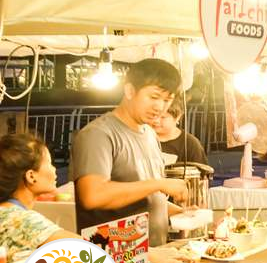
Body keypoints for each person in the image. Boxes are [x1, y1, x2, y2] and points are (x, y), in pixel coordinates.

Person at [71, 58, 189, 247]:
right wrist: (159, 183)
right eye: (154, 97)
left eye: (167, 100)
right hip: (110, 259)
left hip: (152, 256)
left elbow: (143, 199)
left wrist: (180, 212)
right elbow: (93, 196)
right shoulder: (98, 134)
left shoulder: (150, 134)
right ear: (129, 91)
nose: (160, 107)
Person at [1, 133, 83, 252]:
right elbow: (92, 249)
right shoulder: (23, 221)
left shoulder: (5, 213)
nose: (54, 169)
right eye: (49, 163)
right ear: (31, 176)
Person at [154, 100, 207, 165]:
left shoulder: (190, 144)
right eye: (154, 115)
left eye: (162, 117)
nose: (156, 120)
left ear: (177, 117)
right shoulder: (144, 138)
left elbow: (203, 173)